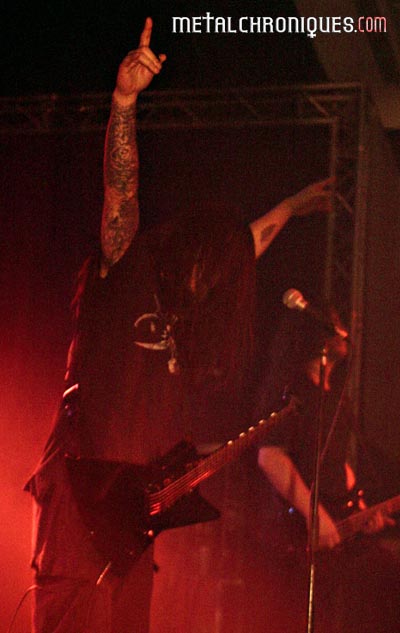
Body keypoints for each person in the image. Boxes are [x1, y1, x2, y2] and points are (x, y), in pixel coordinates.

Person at [25, 17, 333, 633]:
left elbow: (248, 244)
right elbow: (120, 194)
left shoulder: (190, 314)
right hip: (80, 500)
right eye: (210, 262)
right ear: (187, 251)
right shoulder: (127, 268)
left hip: (130, 522)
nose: (219, 277)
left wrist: (293, 207)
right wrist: (124, 104)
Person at [257, 309, 400, 633]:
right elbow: (270, 456)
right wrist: (315, 515)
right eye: (334, 324)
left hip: (337, 532)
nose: (343, 330)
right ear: (315, 334)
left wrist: (360, 508)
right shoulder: (291, 392)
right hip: (294, 536)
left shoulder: (337, 398)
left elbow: (336, 464)